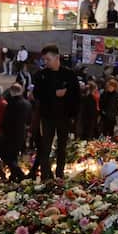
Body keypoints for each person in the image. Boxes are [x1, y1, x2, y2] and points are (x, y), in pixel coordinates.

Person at [29, 44, 80, 181]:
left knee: (62, 147)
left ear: (57, 58)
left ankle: (60, 173)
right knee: (45, 146)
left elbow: (76, 96)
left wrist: (73, 115)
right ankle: (46, 176)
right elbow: (37, 95)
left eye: (48, 59)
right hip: (47, 117)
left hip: (64, 117)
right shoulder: (41, 75)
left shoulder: (69, 75)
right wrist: (54, 93)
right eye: (44, 60)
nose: (45, 62)